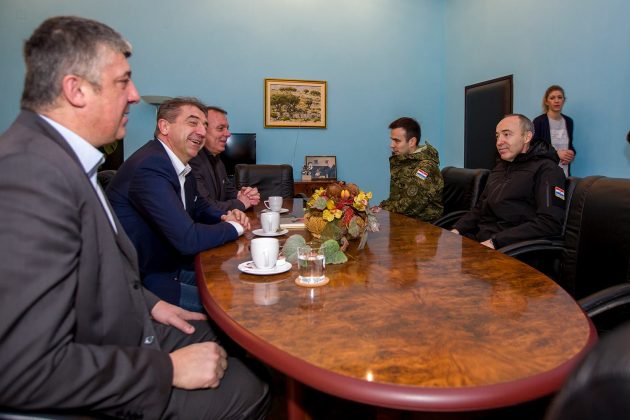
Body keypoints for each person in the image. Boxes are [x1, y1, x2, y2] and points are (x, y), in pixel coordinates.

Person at [0, 16, 269, 419]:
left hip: (129, 322)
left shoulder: (56, 158)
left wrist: (151, 305)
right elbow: (22, 369)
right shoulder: (29, 175)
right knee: (251, 388)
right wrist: (167, 370)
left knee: (242, 348)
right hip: (107, 366)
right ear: (75, 90)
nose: (134, 96)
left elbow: (93, 270)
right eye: (123, 82)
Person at [107, 97, 251, 313]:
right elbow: (187, 239)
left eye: (204, 125)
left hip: (170, 266)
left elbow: (202, 208)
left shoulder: (181, 166)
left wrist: (226, 216)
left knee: (240, 286)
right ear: (164, 126)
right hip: (144, 282)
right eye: (193, 123)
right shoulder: (151, 165)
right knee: (235, 308)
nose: (202, 131)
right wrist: (235, 226)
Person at [452, 114, 566, 249]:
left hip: (514, 249)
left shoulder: (547, 170)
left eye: (506, 134)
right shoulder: (500, 168)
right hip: (484, 241)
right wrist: (456, 230)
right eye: (497, 136)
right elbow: (481, 208)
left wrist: (496, 242)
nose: (499, 142)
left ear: (527, 137)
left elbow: (550, 223)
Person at [189, 106, 260, 211]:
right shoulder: (192, 161)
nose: (228, 134)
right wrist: (242, 203)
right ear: (203, 131)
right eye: (220, 128)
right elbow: (204, 206)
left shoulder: (217, 160)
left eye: (227, 128)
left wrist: (243, 194)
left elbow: (228, 191)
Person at [379, 117, 443, 221]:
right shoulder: (404, 160)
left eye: (397, 141)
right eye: (392, 140)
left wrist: (381, 208)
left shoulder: (425, 168)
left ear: (412, 142)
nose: (391, 145)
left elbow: (408, 206)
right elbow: (396, 199)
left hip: (423, 225)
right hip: (403, 220)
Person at [533, 85, 576, 176]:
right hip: (546, 172)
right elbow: (534, 147)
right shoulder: (538, 121)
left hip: (565, 172)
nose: (556, 101)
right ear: (546, 101)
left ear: (564, 100)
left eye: (560, 97)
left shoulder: (569, 121)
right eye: (552, 98)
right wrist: (556, 153)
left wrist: (572, 153)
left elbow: (569, 145)